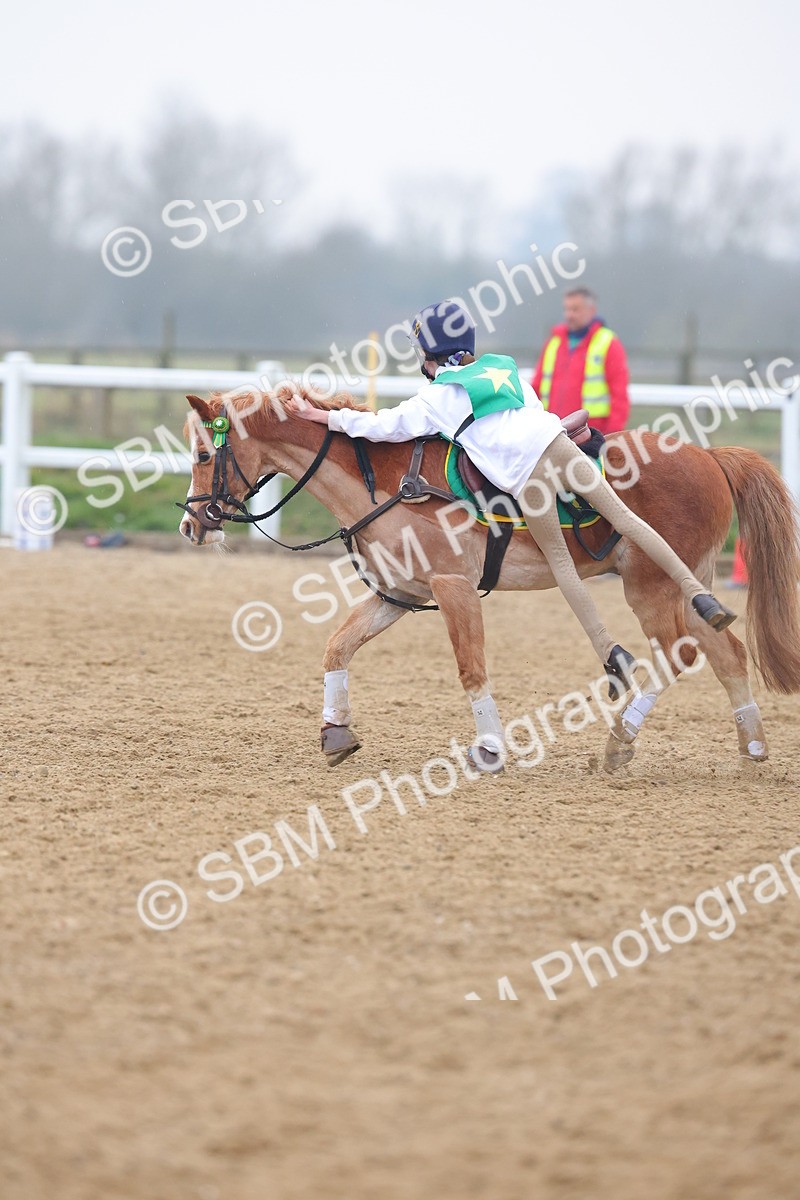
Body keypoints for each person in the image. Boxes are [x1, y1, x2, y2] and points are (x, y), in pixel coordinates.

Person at [287, 300, 735, 691]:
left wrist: (321, 417)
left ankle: (610, 651)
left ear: (430, 355)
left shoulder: (435, 398)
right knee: (629, 522)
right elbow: (534, 406)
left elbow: (382, 427)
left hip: (529, 478)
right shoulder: (502, 365)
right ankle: (701, 597)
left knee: (563, 567)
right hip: (560, 443)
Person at [533, 287, 629, 434]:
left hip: (590, 434)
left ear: (591, 310)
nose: (569, 315)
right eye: (566, 309)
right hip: (553, 430)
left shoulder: (608, 343)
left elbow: (619, 395)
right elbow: (536, 387)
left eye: (575, 309)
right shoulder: (554, 341)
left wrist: (611, 437)